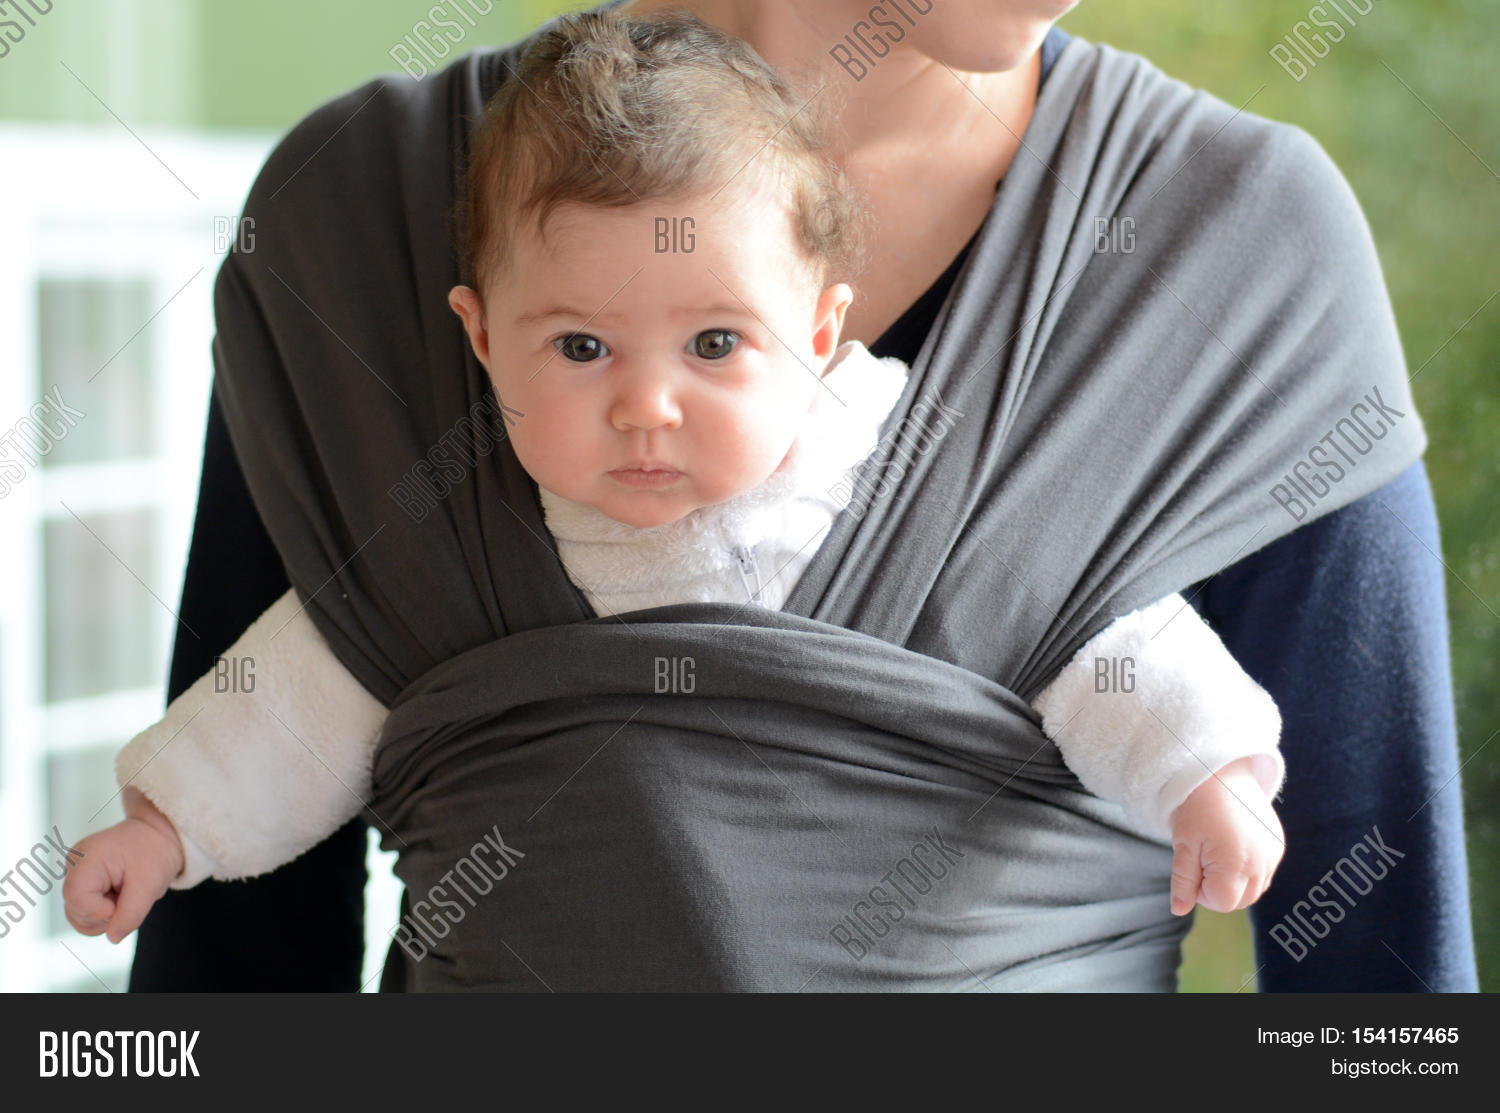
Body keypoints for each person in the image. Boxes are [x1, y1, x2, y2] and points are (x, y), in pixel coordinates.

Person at [127, 0, 1477, 991]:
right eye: (581, 345)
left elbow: (1380, 987)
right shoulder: (352, 222)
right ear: (480, 328)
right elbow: (228, 956)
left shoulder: (1233, 249)